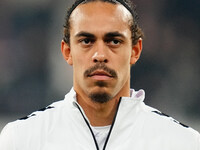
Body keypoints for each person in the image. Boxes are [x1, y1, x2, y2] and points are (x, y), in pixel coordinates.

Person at [0, 0, 200, 149]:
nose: (100, 55)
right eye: (86, 41)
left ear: (135, 51)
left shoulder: (181, 142)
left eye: (114, 41)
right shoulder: (22, 139)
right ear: (67, 52)